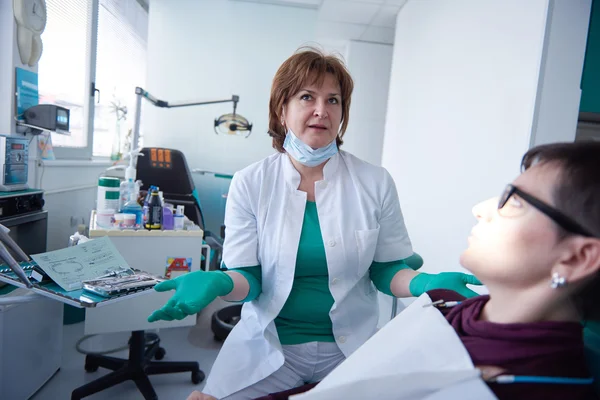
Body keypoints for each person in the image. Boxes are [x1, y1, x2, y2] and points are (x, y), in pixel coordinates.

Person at [147, 47, 481, 400]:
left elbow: (386, 270)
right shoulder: (251, 182)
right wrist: (216, 281)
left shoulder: (374, 182)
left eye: (333, 100)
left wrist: (425, 282)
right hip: (271, 346)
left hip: (349, 349)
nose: (322, 110)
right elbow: (249, 279)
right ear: (282, 108)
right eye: (307, 96)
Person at [256, 140, 600, 400]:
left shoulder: (542, 384)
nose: (481, 209)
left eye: (516, 202)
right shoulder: (451, 309)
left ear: (576, 258)